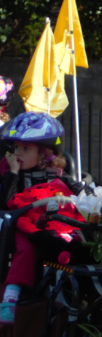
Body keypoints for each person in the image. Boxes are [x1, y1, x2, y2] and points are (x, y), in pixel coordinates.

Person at [0, 112, 83, 322]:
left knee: (76, 239)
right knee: (27, 249)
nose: (18, 153)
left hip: (52, 224)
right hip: (21, 225)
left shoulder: (55, 173)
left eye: (25, 149)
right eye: (16, 148)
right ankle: (11, 295)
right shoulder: (13, 173)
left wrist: (91, 197)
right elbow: (5, 202)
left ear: (44, 154)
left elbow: (77, 190)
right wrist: (12, 173)